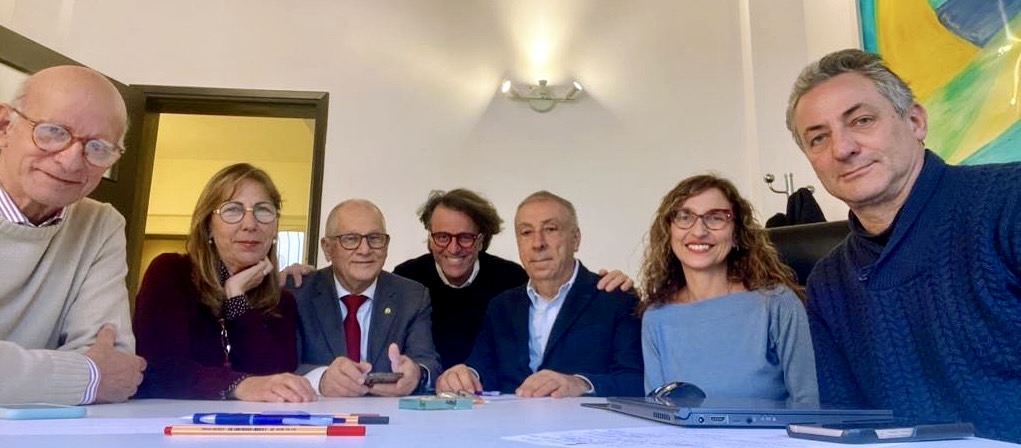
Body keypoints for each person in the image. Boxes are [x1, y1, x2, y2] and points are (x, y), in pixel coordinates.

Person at [787, 48, 1021, 442]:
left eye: (861, 120)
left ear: (915, 121)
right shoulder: (829, 283)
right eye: (818, 138)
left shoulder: (1009, 203)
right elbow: (849, 428)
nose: (842, 149)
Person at [0, 66, 146, 405]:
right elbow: (101, 376)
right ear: (5, 126)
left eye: (98, 147)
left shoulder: (100, 224)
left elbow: (115, 361)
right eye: (53, 132)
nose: (70, 162)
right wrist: (87, 377)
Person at [394, 188, 636, 370]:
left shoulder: (509, 279)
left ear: (481, 240)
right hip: (439, 396)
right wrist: (464, 375)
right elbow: (482, 366)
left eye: (465, 237)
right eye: (442, 237)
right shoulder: (407, 280)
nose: (453, 248)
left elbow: (633, 377)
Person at [133, 163, 314, 402]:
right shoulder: (171, 272)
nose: (250, 224)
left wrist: (236, 298)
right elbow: (159, 369)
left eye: (263, 210)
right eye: (232, 210)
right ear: (208, 226)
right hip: (172, 420)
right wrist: (240, 386)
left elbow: (275, 377)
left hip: (255, 422)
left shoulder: (282, 301)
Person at [637, 174, 817, 403]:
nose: (699, 231)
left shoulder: (777, 303)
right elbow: (659, 412)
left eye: (716, 218)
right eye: (685, 217)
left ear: (736, 234)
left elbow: (808, 402)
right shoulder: (656, 317)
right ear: (669, 231)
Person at [287, 199, 441, 397]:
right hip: (316, 412)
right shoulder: (297, 294)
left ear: (386, 245)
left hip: (389, 413)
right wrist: (321, 379)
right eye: (350, 239)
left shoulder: (412, 296)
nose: (365, 250)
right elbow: (278, 366)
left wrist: (417, 374)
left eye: (374, 238)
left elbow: (428, 362)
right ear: (327, 248)